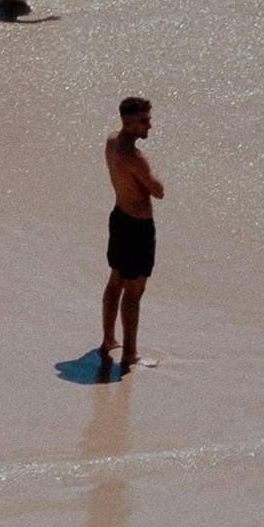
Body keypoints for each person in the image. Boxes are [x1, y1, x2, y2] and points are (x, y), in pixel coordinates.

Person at [97, 97, 163, 379]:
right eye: (144, 120)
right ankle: (130, 353)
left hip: (119, 217)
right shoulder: (135, 157)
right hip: (137, 227)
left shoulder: (113, 142)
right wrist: (151, 178)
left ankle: (109, 339)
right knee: (134, 291)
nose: (149, 124)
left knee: (116, 280)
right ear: (128, 122)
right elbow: (158, 190)